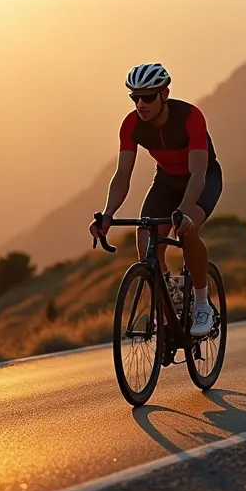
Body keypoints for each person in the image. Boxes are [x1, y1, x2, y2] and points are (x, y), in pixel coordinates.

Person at [89, 62, 223, 337]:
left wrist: (184, 212)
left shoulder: (190, 117)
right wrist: (108, 213)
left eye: (148, 97)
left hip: (203, 179)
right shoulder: (131, 125)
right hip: (166, 181)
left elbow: (198, 173)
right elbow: (122, 175)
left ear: (164, 93)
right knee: (144, 240)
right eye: (135, 97)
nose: (141, 104)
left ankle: (201, 303)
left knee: (189, 230)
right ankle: (168, 304)